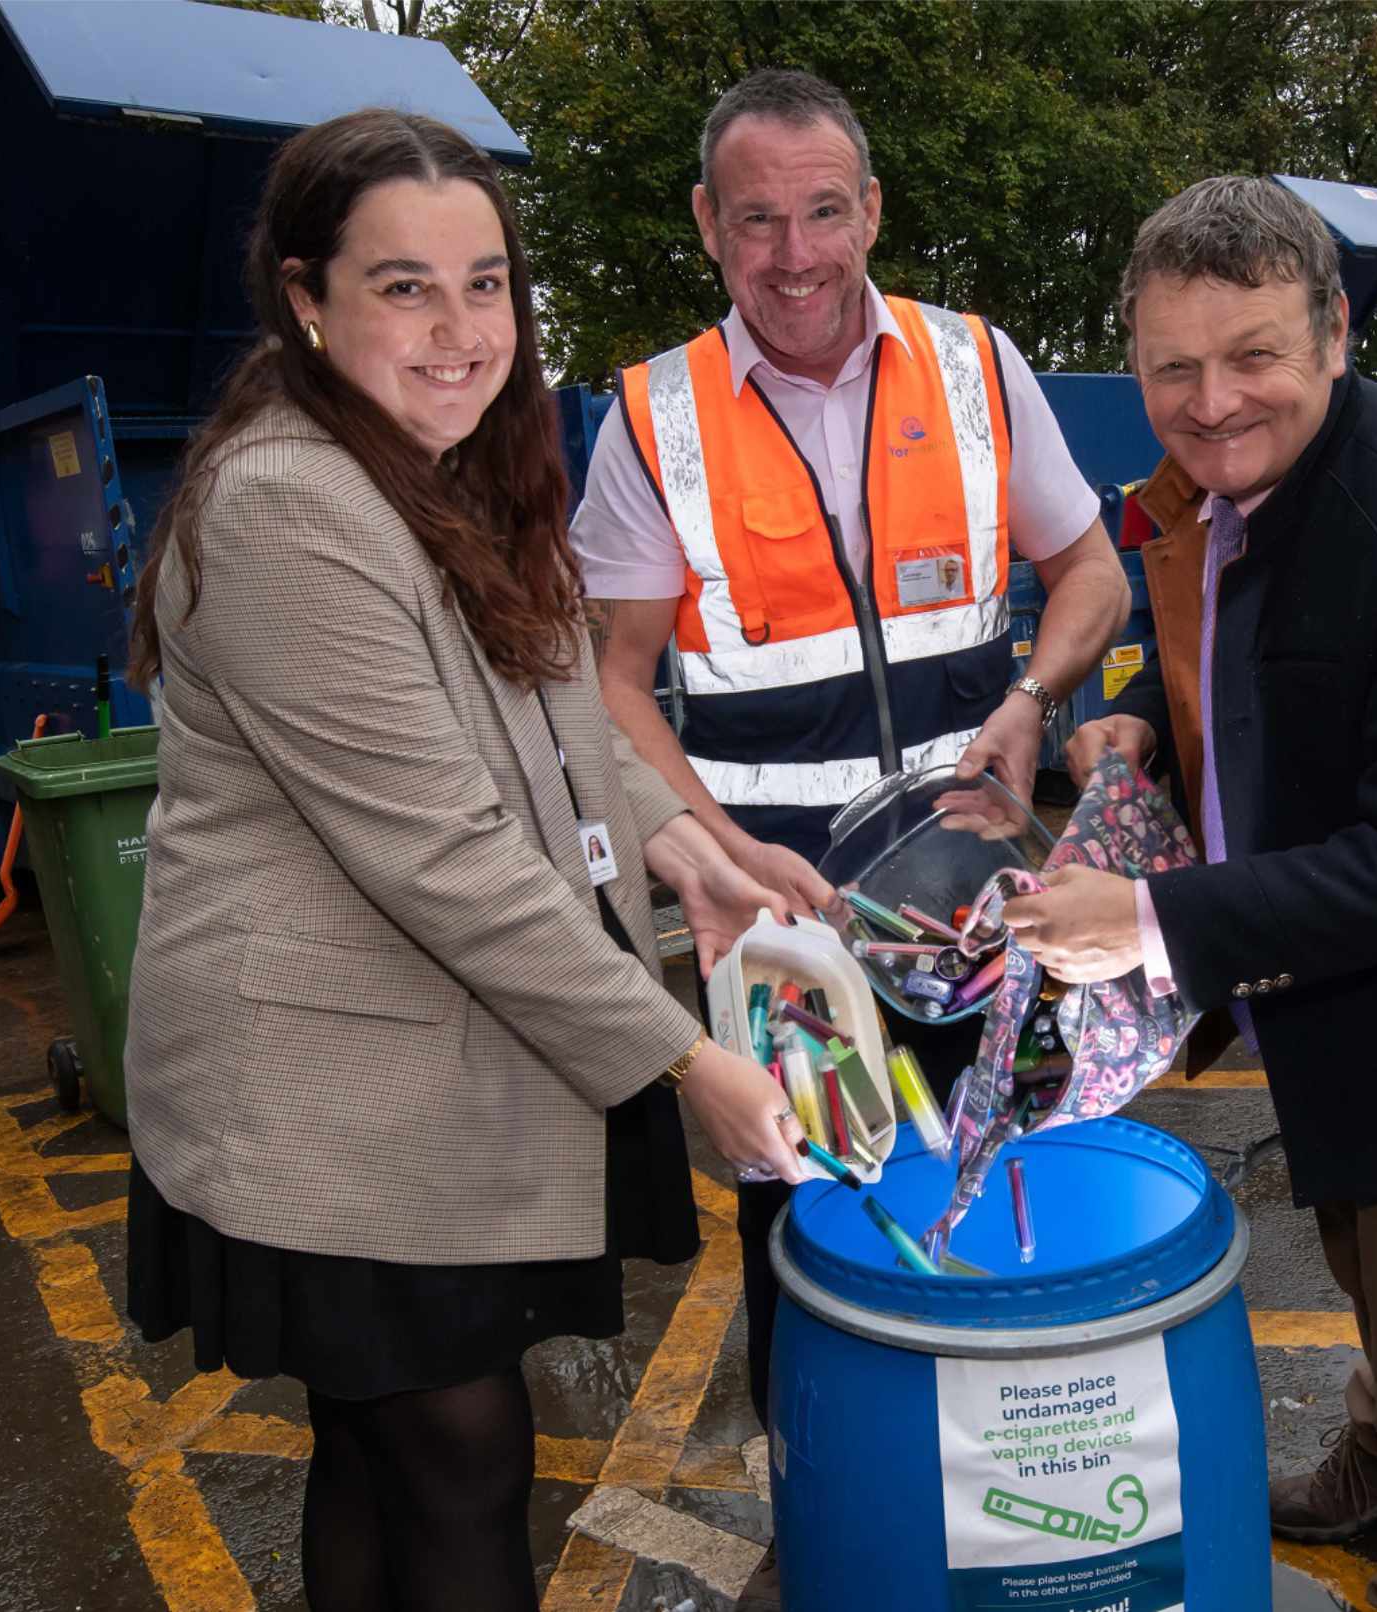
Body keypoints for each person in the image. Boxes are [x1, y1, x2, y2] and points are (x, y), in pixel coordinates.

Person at [122, 109, 806, 1612]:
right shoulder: (292, 504)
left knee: (393, 1452)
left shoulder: (457, 462)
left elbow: (564, 715)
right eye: (404, 286)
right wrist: (693, 1062)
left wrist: (691, 847)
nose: (459, 327)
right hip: (327, 1109)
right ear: (307, 297)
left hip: (418, 1082)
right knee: (458, 1456)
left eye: (484, 282)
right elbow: (447, 859)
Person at [1003, 176, 1377, 1612]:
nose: (1212, 402)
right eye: (1173, 367)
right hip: (1336, 1017)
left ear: (1335, 332)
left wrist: (1142, 921)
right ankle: (1362, 1469)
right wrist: (1144, 716)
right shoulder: (1236, 490)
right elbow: (1239, 656)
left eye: (1255, 355)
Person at [568, 69, 1132, 1493]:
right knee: (808, 1246)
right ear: (707, 224)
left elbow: (1093, 575)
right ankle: (834, 1519)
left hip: (979, 910)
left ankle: (1009, 1508)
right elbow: (604, 678)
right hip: (787, 940)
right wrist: (701, 848)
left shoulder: (976, 365)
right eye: (758, 219)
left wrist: (1028, 696)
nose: (796, 253)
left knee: (1007, 1204)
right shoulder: (651, 419)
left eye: (826, 211)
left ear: (872, 208)